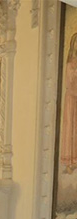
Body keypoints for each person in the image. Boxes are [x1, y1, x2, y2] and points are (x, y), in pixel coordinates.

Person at [61, 33, 77, 174]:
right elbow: (69, 80)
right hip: (72, 98)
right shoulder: (70, 63)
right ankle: (69, 162)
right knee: (71, 128)